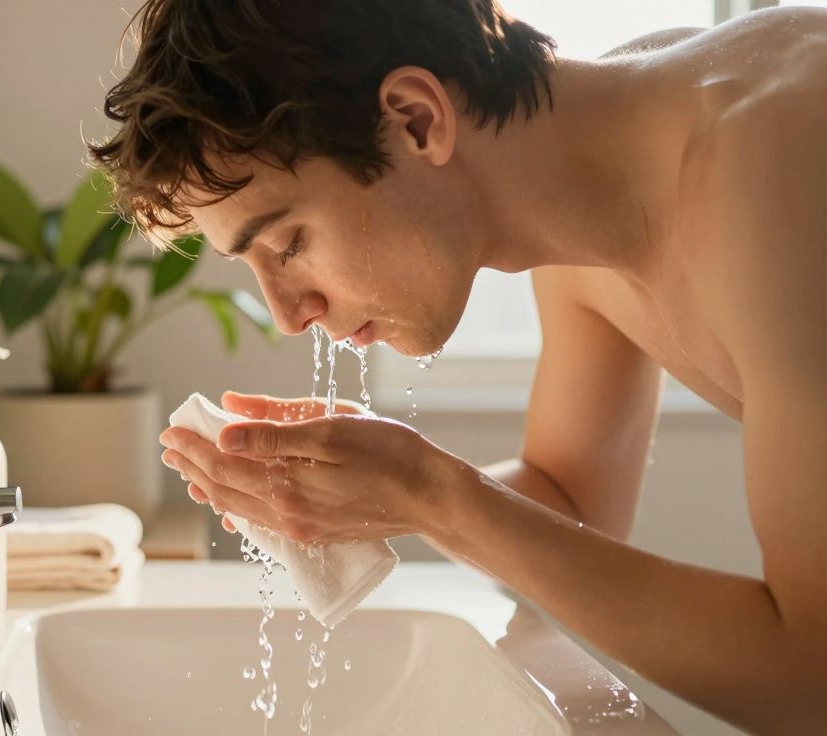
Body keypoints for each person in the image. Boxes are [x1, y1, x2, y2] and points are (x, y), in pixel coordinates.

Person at [88, 1, 827, 732]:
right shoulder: (591, 188)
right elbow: (570, 506)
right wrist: (376, 488)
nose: (288, 313)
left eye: (287, 243)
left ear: (416, 118)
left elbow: (811, 678)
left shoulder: (770, 165)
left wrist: (431, 494)